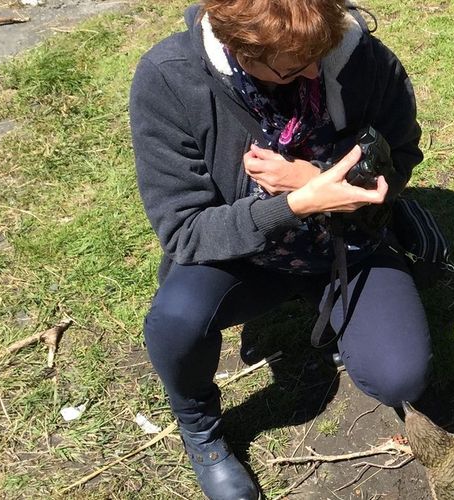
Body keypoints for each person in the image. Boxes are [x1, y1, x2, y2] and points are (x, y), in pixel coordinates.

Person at [129, 1, 430, 498]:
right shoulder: (169, 78)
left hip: (348, 239)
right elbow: (185, 231)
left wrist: (319, 182)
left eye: (321, 53)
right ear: (240, 52)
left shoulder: (364, 58)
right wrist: (294, 204)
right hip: (245, 256)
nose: (313, 71)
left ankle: (338, 290)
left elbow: (402, 153)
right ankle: (201, 430)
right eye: (292, 67)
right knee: (176, 320)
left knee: (400, 378)